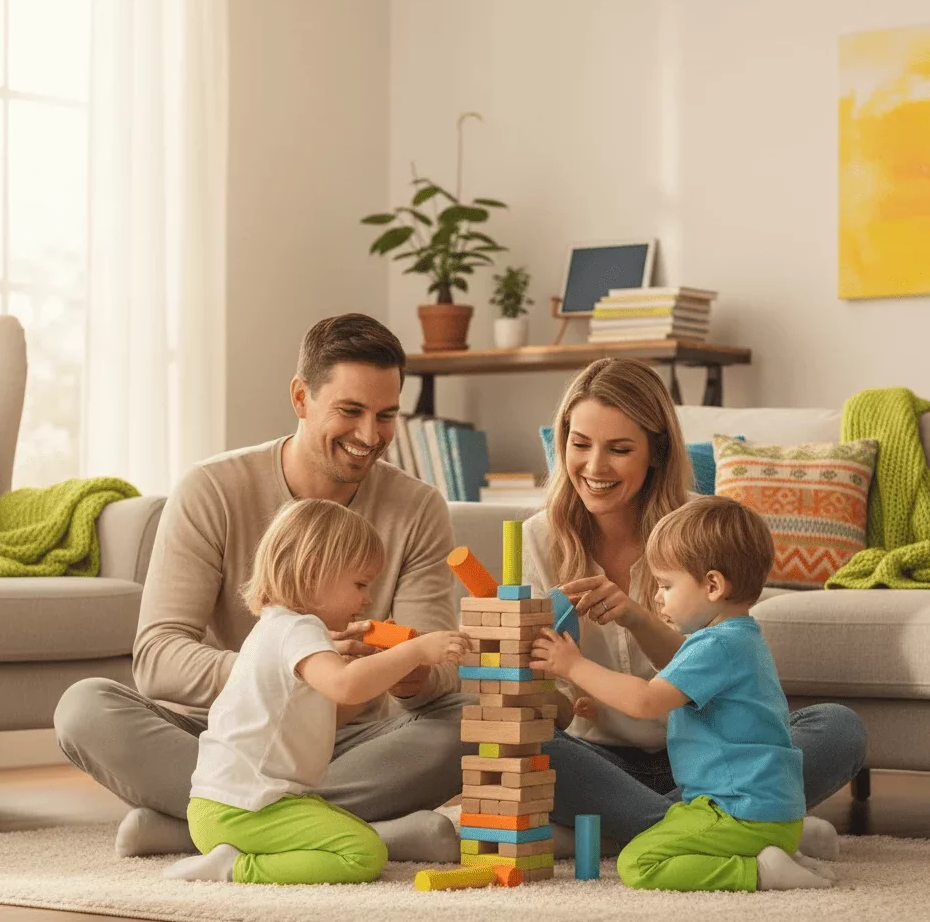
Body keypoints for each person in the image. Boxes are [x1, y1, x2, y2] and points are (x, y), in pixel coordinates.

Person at [55, 314, 468, 864]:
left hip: (347, 742)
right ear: (301, 397)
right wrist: (289, 672)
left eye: (386, 415)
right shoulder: (212, 489)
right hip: (225, 738)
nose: (370, 436)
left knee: (470, 724)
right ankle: (369, 833)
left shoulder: (417, 508)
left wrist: (410, 668)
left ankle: (201, 829)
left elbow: (430, 676)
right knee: (84, 709)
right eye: (350, 411)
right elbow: (157, 658)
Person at [521, 358, 866, 852]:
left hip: (712, 758)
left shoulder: (698, 530)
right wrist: (548, 695)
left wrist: (636, 618)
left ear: (656, 452)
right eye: (580, 445)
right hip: (603, 761)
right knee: (518, 742)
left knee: (838, 727)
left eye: (619, 449)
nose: (594, 467)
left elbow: (711, 662)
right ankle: (739, 827)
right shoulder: (538, 537)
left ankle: (644, 829)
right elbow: (544, 701)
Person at [532, 496, 838, 892]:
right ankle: (774, 850)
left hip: (737, 811)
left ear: (712, 585)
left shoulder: (714, 646)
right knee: (672, 826)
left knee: (638, 863)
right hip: (758, 809)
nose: (657, 597)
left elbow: (645, 701)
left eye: (665, 585)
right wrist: (602, 698)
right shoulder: (739, 639)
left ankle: (758, 871)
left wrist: (573, 666)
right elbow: (669, 701)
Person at [163, 499, 469, 885]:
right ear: (311, 574)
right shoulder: (299, 629)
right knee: (363, 853)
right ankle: (235, 867)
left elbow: (334, 709)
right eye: (360, 584)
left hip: (229, 804)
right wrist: (414, 651)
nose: (367, 599)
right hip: (244, 807)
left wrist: (378, 666)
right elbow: (345, 686)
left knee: (350, 827)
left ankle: (224, 849)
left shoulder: (278, 628)